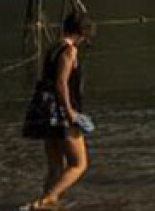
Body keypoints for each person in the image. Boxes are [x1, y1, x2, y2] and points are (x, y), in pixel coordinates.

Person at [24, 11, 96, 210]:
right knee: (78, 164)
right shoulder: (68, 50)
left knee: (55, 167)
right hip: (61, 114)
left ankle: (50, 205)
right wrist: (70, 112)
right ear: (81, 33)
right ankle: (45, 201)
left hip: (47, 113)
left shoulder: (53, 48)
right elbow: (61, 83)